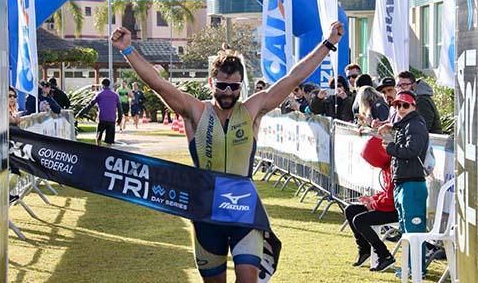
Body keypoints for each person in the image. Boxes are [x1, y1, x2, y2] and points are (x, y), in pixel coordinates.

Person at [111, 21, 345, 283]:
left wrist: (327, 44)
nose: (228, 93)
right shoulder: (195, 111)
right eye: (222, 86)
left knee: (248, 279)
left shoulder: (252, 109)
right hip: (206, 210)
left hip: (244, 208)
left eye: (234, 87)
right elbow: (157, 83)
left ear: (241, 85)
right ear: (211, 82)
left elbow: (293, 78)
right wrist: (127, 49)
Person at [378, 91, 429, 276]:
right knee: (407, 230)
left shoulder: (415, 125)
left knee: (414, 231)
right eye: (397, 105)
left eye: (405, 105)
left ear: (414, 106)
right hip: (405, 183)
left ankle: (417, 269)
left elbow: (412, 150)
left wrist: (390, 148)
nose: (400, 109)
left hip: (412, 184)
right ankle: (410, 267)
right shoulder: (405, 124)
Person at [344, 136, 397, 271]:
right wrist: (372, 199)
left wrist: (373, 203)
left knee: (360, 220)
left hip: (394, 210)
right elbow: (387, 193)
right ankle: (364, 249)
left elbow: (391, 200)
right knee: (351, 210)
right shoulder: (386, 167)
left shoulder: (393, 168)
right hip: (387, 206)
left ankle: (384, 255)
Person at [76, 78, 123, 146]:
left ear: (102, 85)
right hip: (112, 119)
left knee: (98, 137)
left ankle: (99, 151)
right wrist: (120, 119)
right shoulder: (115, 95)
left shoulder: (99, 94)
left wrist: (80, 113)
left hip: (102, 119)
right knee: (109, 141)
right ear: (109, 85)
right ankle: (108, 152)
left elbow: (90, 105)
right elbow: (119, 108)